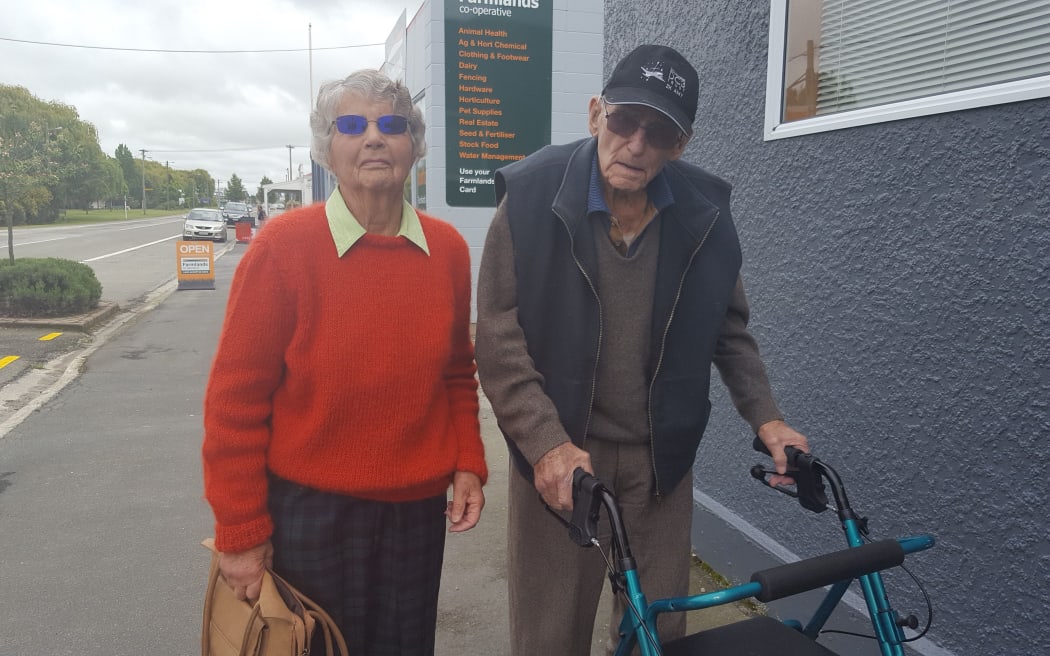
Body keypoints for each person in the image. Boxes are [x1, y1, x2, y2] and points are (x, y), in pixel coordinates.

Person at [474, 44, 809, 654]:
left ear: (680, 144)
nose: (636, 144)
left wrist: (768, 418)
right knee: (549, 636)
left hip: (661, 461)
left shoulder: (705, 214)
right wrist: (547, 446)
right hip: (564, 458)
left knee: (658, 629)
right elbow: (497, 335)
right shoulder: (528, 197)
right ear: (597, 113)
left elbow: (728, 331)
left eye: (660, 132)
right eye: (626, 120)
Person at [202, 69, 487, 655]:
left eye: (393, 125)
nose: (375, 138)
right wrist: (240, 533)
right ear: (326, 150)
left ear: (416, 145)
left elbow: (457, 372)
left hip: (414, 515)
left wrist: (468, 461)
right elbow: (235, 403)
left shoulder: (449, 252)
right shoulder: (282, 249)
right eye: (352, 125)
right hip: (310, 515)